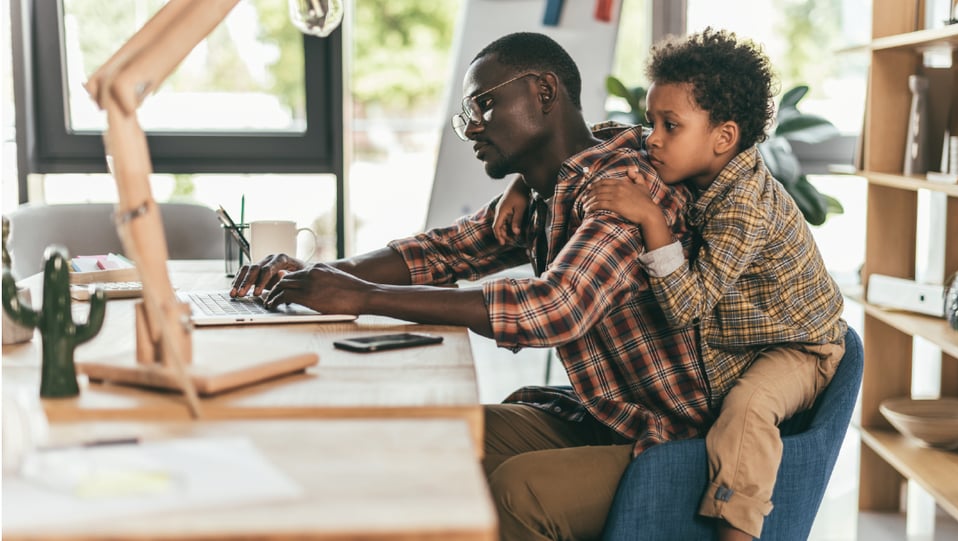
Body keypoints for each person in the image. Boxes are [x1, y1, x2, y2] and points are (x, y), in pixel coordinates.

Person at [230, 32, 723, 541]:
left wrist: (361, 297)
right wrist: (324, 276)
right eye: (467, 113)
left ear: (544, 93)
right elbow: (443, 251)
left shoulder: (624, 191)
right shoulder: (548, 187)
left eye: (485, 105)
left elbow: (556, 307)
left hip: (670, 439)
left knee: (517, 492)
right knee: (436, 441)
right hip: (601, 415)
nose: (472, 129)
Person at [493, 28, 848, 540]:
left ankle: (738, 529)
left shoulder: (745, 207)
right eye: (651, 120)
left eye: (670, 126)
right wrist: (524, 183)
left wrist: (651, 220)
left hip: (798, 345)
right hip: (745, 332)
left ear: (723, 138)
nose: (652, 137)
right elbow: (594, 140)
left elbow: (688, 306)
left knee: (746, 412)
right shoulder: (678, 153)